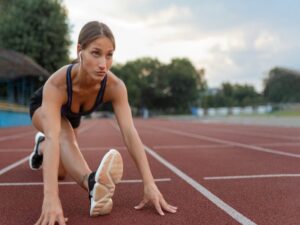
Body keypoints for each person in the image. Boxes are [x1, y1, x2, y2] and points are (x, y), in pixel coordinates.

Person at [28, 21, 177, 225]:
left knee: (62, 172)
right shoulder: (57, 84)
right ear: (80, 50)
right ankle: (92, 183)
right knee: (63, 136)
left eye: (109, 55)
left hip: (73, 114)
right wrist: (51, 197)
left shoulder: (115, 86)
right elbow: (55, 136)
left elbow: (129, 133)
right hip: (43, 108)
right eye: (96, 53)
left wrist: (149, 183)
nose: (103, 64)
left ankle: (40, 147)